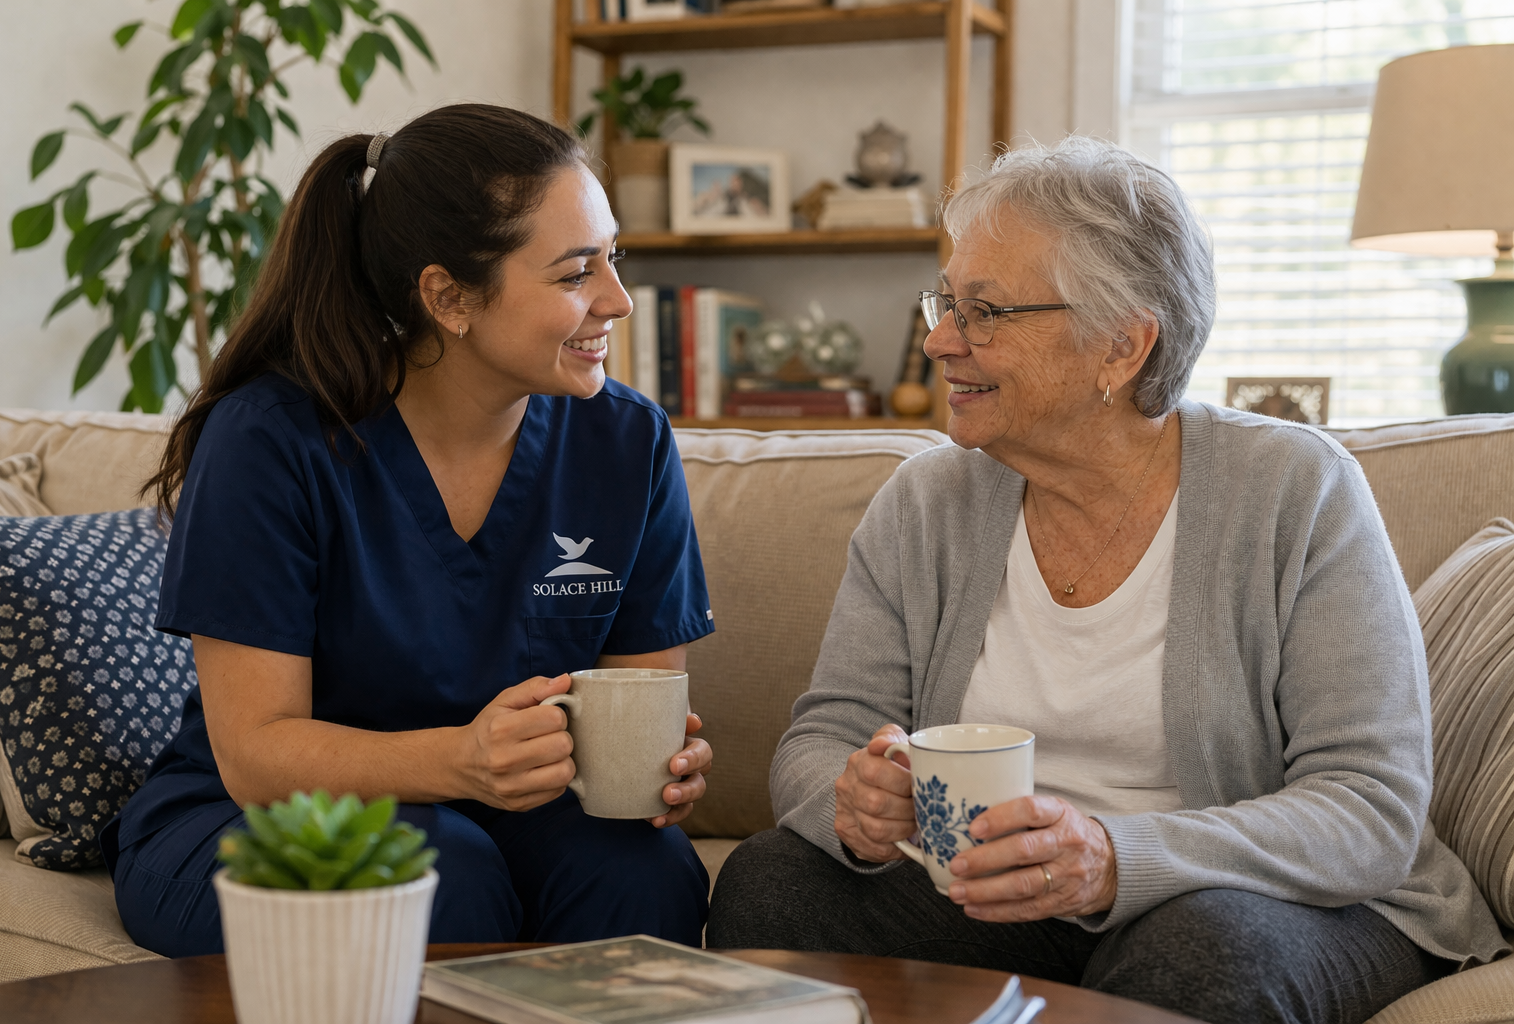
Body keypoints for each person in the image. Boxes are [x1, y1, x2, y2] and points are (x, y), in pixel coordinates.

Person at [707, 136, 1508, 1024]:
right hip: (1003, 900)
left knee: (1202, 954)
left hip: (1258, 900)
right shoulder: (926, 502)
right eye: (945, 302)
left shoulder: (1293, 488)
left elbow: (1369, 807)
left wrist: (1115, 857)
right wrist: (852, 806)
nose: (938, 341)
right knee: (773, 881)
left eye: (984, 312)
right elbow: (826, 735)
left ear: (1120, 348)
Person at [103, 105, 716, 957]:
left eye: (615, 258)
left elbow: (644, 703)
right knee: (432, 872)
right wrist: (465, 759)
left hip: (510, 814)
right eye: (577, 272)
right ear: (448, 296)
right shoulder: (272, 441)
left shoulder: (627, 441)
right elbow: (256, 755)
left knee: (644, 868)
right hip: (255, 817)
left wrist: (662, 774)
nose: (617, 300)